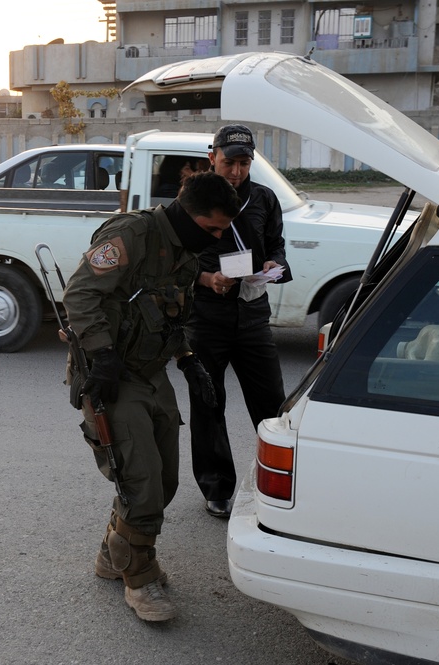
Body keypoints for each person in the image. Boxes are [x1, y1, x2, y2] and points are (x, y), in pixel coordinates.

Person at [62, 171, 242, 622]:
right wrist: (101, 358)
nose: (218, 239)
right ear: (186, 214)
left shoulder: (184, 249)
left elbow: (166, 313)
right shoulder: (131, 235)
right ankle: (139, 579)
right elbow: (79, 295)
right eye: (213, 229)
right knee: (140, 484)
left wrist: (187, 359)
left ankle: (113, 554)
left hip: (150, 371)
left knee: (163, 481)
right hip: (111, 375)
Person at [186, 124, 293, 519]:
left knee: (273, 406)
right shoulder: (191, 201)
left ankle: (283, 479)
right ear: (211, 156)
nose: (235, 171)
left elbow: (277, 244)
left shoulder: (264, 199)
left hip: (252, 317)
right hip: (205, 317)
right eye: (229, 162)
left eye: (244, 163)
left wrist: (274, 264)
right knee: (208, 404)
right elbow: (174, 258)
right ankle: (216, 488)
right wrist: (205, 278)